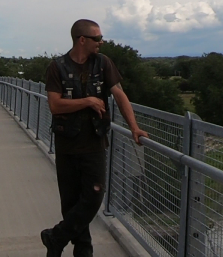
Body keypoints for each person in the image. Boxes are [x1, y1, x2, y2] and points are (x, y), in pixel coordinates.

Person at [41, 19, 148, 257]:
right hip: (67, 143)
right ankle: (81, 252)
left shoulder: (103, 63)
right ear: (82, 40)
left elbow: (119, 94)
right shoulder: (57, 67)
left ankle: (55, 238)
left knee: (93, 197)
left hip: (94, 143)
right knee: (71, 203)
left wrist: (134, 128)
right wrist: (88, 101)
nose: (101, 42)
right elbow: (55, 105)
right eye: (97, 38)